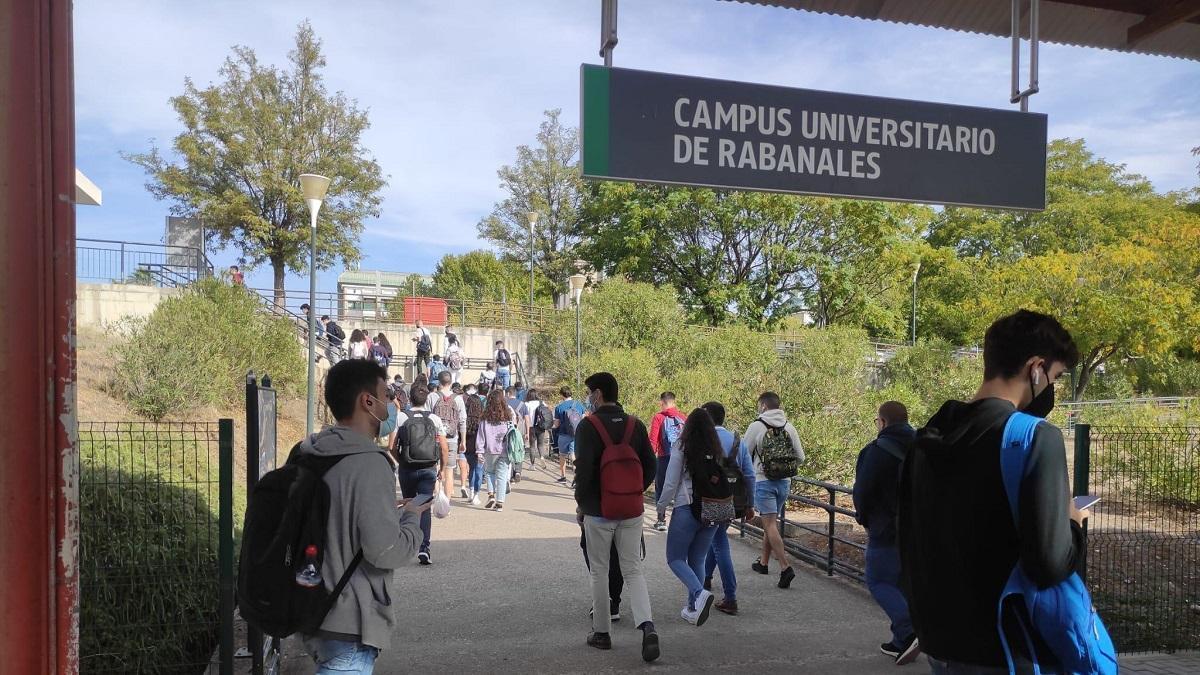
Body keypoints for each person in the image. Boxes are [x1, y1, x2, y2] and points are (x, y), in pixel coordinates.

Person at [898, 310, 1087, 674]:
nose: (1052, 388)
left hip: (942, 641)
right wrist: (1074, 524)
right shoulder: (1035, 438)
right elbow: (1048, 565)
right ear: (1036, 367)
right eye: (1055, 376)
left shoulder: (926, 439)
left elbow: (908, 534)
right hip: (1009, 649)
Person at [295, 358, 431, 671]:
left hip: (313, 607)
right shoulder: (370, 463)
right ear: (367, 401)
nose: (392, 405)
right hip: (349, 620)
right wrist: (411, 517)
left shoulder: (309, 450)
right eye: (387, 396)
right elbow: (384, 550)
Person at [573, 372, 660, 661]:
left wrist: (582, 505)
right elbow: (651, 465)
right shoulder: (636, 425)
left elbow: (583, 472)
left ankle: (602, 633)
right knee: (633, 569)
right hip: (631, 510)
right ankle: (647, 627)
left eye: (589, 393)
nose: (588, 398)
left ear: (597, 394)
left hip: (598, 512)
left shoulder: (588, 426)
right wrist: (633, 491)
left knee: (599, 570)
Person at [853, 401, 920, 664]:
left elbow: (863, 491)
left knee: (878, 581)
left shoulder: (876, 451)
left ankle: (910, 629)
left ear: (882, 422)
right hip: (919, 531)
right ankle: (899, 641)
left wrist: (864, 518)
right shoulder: (924, 447)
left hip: (886, 530)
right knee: (903, 584)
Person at [657, 407, 729, 627]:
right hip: (712, 510)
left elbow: (671, 481)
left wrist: (661, 505)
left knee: (675, 558)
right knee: (697, 558)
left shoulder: (682, 445)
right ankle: (692, 608)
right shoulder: (717, 448)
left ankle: (699, 593)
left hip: (687, 508)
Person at [701, 401, 756, 616]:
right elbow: (749, 474)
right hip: (733, 501)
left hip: (710, 501)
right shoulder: (736, 440)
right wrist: (750, 504)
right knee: (717, 539)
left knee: (719, 544)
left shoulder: (704, 441)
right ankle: (706, 578)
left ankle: (731, 597)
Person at [744, 391, 804, 589]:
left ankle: (785, 567)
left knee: (769, 524)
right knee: (772, 523)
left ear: (763, 406)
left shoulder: (756, 426)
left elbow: (743, 453)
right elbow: (800, 457)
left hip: (763, 481)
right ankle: (763, 563)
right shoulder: (789, 426)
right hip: (784, 482)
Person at [394, 384, 451, 566]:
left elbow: (391, 446)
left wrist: (401, 460)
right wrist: (442, 468)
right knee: (424, 506)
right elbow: (443, 447)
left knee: (409, 503)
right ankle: (424, 548)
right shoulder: (434, 419)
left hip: (407, 468)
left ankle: (406, 544)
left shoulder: (401, 416)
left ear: (409, 398)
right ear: (427, 399)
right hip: (428, 468)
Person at [648, 392, 688, 532]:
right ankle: (680, 520)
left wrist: (649, 459)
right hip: (682, 458)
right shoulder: (683, 417)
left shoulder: (658, 418)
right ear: (674, 402)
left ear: (662, 402)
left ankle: (661, 519)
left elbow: (653, 441)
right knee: (680, 488)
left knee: (661, 487)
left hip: (665, 458)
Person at [476, 388, 517, 512]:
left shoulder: (484, 418)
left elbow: (481, 436)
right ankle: (500, 501)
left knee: (489, 472)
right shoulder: (508, 417)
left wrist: (479, 451)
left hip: (490, 450)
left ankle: (491, 495)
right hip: (505, 450)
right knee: (502, 475)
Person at [430, 371, 468, 499]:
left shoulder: (432, 397)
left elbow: (427, 418)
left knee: (435, 469)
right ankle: (446, 503)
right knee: (449, 470)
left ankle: (436, 498)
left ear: (439, 382)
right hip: (452, 438)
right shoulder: (458, 398)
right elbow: (463, 420)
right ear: (451, 382)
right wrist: (463, 440)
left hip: (435, 439)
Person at [553, 386, 586, 484]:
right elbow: (584, 419)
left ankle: (563, 477)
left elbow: (557, 424)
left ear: (562, 395)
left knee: (562, 455)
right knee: (573, 455)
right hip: (576, 434)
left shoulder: (559, 407)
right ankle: (576, 477)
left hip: (563, 434)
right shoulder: (579, 405)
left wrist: (554, 427)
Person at [462, 383, 485, 505]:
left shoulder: (465, 419)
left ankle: (471, 491)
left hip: (468, 447)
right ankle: (476, 493)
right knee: (479, 470)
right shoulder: (482, 419)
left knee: (471, 469)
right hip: (480, 447)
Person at [505, 386, 530, 482]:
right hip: (519, 432)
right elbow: (527, 419)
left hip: (507, 431)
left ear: (508, 394)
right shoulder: (522, 404)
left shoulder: (504, 403)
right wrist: (527, 432)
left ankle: (510, 474)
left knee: (508, 451)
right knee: (519, 450)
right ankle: (518, 471)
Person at [525, 389, 553, 470]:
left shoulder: (527, 404)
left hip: (531, 427)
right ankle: (542, 457)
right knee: (540, 445)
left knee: (532, 446)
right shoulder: (541, 402)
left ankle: (532, 465)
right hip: (541, 426)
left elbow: (525, 417)